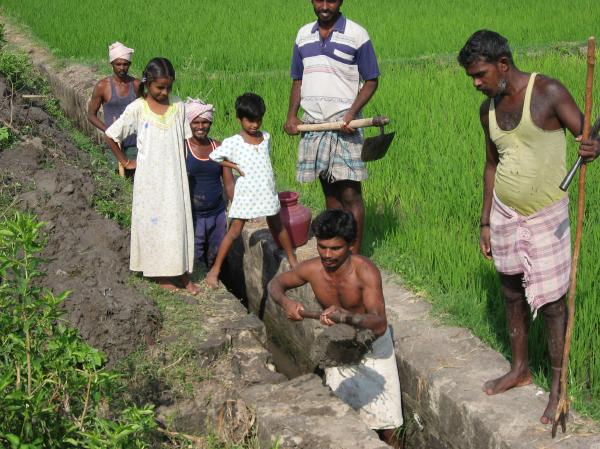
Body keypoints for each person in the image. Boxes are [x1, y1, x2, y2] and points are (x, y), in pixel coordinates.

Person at [457, 30, 600, 425]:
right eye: (471, 76)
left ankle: (557, 387)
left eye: (480, 74)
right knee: (509, 289)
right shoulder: (487, 110)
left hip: (546, 214)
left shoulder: (548, 92)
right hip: (504, 211)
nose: (476, 82)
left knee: (553, 303)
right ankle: (520, 368)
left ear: (503, 65)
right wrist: (485, 220)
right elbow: (491, 164)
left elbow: (588, 135)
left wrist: (591, 146)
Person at [268, 209, 403, 448]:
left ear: (351, 245)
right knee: (344, 414)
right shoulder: (311, 269)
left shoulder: (365, 271)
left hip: (373, 346)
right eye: (322, 247)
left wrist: (346, 317)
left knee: (389, 424)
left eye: (335, 248)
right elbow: (276, 283)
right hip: (339, 346)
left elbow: (379, 324)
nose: (327, 255)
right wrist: (285, 302)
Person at [283, 0, 380, 254]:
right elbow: (298, 78)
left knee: (350, 194)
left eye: (331, 0)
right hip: (314, 124)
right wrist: (292, 116)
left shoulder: (357, 34)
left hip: (343, 125)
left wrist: (350, 113)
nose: (325, 5)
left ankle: (355, 255)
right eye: (319, 0)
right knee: (330, 194)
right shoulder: (303, 34)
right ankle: (335, 250)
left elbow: (371, 80)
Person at [105, 57, 199, 294]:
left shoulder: (178, 106)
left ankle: (180, 272)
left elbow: (186, 142)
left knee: (176, 223)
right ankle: (159, 274)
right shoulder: (138, 108)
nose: (165, 92)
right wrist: (126, 161)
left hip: (175, 178)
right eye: (159, 88)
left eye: (168, 87)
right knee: (155, 224)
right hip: (150, 181)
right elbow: (111, 135)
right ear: (147, 84)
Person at [205, 93, 299, 289]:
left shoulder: (265, 137)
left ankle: (292, 260)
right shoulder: (234, 141)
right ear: (239, 119)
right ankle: (214, 271)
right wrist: (233, 165)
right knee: (235, 230)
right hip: (246, 194)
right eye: (250, 120)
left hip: (266, 191)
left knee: (277, 224)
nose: (254, 125)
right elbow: (214, 157)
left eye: (258, 120)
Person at [184, 98, 234, 269]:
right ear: (189, 123)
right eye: (196, 122)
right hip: (193, 215)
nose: (200, 126)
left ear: (210, 123)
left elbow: (228, 182)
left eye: (204, 122)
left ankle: (214, 276)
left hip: (217, 212)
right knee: (195, 253)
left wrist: (236, 206)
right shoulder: (183, 148)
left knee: (216, 251)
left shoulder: (218, 147)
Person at [87, 41, 140, 176]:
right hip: (113, 144)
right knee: (116, 178)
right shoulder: (103, 86)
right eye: (118, 64)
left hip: (134, 143)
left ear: (129, 65)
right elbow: (91, 115)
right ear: (112, 64)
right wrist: (109, 131)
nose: (122, 68)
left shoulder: (136, 85)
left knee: (135, 179)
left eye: (125, 64)